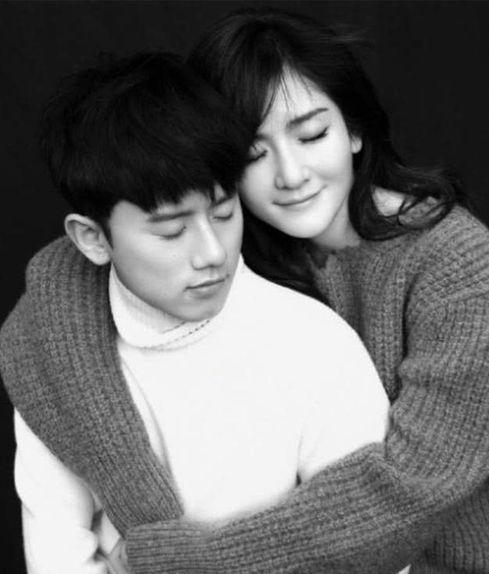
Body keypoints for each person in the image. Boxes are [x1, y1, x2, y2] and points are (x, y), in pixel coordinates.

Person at [0, 50, 391, 573]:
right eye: (171, 231)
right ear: (92, 238)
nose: (212, 253)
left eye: (224, 213)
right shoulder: (48, 359)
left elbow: (371, 549)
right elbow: (57, 553)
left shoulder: (315, 344)